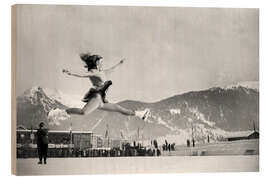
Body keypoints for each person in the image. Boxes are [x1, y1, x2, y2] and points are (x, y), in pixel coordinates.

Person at [48, 53, 150, 125]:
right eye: (101, 62)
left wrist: (119, 64)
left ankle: (141, 114)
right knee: (83, 112)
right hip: (97, 98)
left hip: (101, 100)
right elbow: (83, 74)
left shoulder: (101, 72)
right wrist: (70, 73)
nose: (102, 63)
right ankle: (57, 112)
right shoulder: (94, 72)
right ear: (96, 63)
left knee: (119, 109)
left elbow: (111, 70)